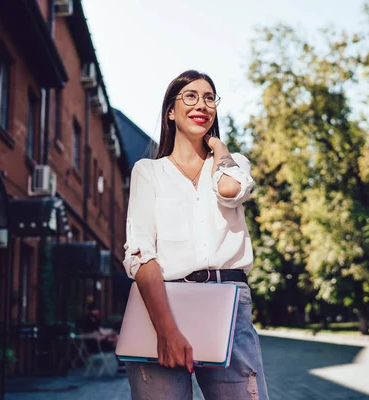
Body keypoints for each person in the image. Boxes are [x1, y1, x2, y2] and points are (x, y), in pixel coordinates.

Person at [122, 70, 269, 399]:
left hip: (228, 306)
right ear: (171, 111)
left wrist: (218, 147)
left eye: (208, 97)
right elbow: (140, 252)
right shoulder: (149, 171)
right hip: (163, 303)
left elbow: (230, 190)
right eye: (190, 95)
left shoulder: (232, 163)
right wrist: (166, 330)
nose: (201, 103)